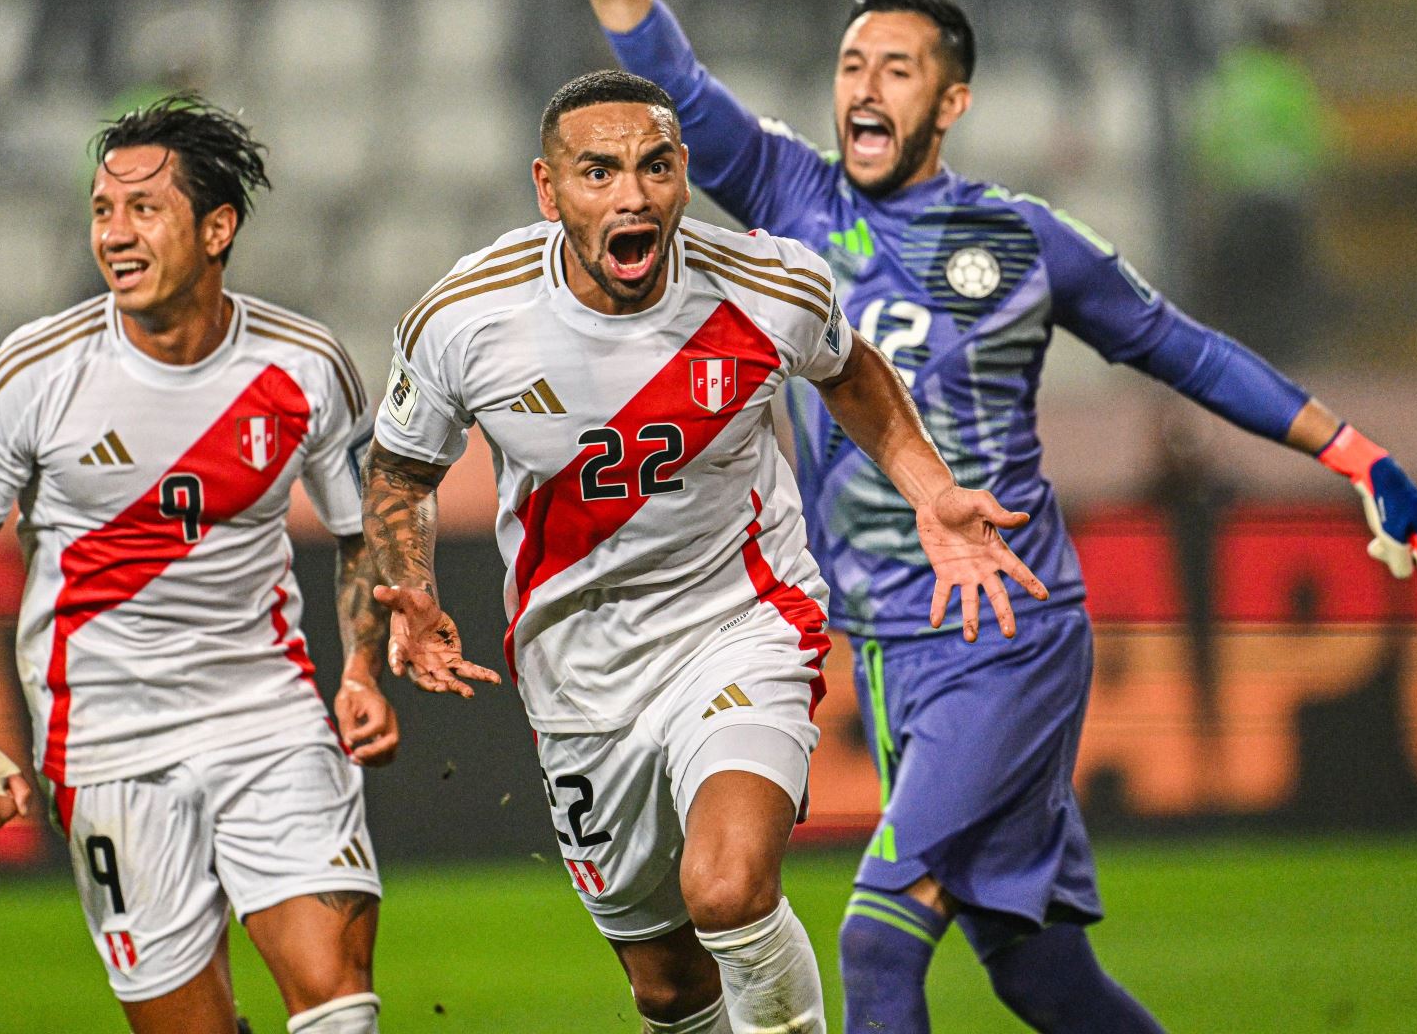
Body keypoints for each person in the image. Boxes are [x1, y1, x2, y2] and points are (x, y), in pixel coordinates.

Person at [513, 0, 1417, 1034]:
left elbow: (1183, 351)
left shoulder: (1021, 240)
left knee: (876, 937)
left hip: (1005, 630)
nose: (864, 87)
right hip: (895, 650)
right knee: (1037, 969)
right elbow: (688, 98)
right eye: (853, 66)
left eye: (895, 70)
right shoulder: (794, 199)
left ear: (949, 101)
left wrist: (1358, 455)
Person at [359, 68, 1048, 1034]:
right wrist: (413, 583)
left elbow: (850, 374)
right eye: (598, 173)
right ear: (548, 190)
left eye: (655, 168)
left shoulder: (769, 287)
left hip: (742, 624)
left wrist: (932, 494)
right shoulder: (466, 318)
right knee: (670, 990)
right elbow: (399, 473)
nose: (632, 196)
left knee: (727, 888)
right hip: (580, 674)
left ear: (685, 176)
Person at [0, 97, 402, 1034]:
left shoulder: (304, 367)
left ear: (218, 229)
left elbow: (360, 531)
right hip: (104, 742)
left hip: (268, 715)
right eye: (101, 209)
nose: (115, 234)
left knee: (341, 1006)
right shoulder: (36, 376)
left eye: (143, 210)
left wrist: (363, 668)